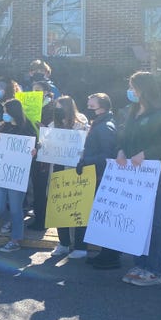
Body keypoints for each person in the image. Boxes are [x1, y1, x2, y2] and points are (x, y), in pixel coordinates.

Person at [118, 72, 161, 287]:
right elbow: (125, 138)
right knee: (138, 220)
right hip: (133, 175)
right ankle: (140, 263)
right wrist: (120, 150)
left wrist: (146, 154)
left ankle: (154, 269)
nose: (131, 91)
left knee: (154, 223)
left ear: (143, 89)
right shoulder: (133, 112)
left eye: (133, 86)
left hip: (155, 174)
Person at [77, 93, 120, 269]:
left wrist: (87, 161)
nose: (88, 102)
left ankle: (111, 256)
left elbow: (107, 154)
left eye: (92, 101)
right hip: (97, 174)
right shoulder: (101, 122)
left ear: (100, 105)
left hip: (101, 176)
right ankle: (106, 254)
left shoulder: (105, 127)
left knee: (104, 217)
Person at [0, 99, 37, 252]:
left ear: (14, 112)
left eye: (6, 112)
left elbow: (36, 146)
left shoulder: (27, 128)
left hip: (17, 175)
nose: (4, 115)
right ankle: (10, 221)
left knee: (16, 208)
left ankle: (15, 239)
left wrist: (35, 151)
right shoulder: (2, 127)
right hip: (0, 174)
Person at [48, 96, 90, 259]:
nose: (57, 111)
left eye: (60, 108)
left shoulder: (81, 124)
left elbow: (84, 146)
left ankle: (80, 246)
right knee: (60, 208)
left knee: (78, 209)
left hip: (75, 170)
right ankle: (64, 243)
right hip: (58, 170)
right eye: (56, 108)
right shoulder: (53, 125)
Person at [26, 80, 55, 230]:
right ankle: (38, 216)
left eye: (38, 90)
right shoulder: (29, 106)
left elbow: (58, 131)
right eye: (33, 89)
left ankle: (42, 220)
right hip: (32, 149)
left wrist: (45, 129)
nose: (34, 92)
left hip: (45, 152)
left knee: (42, 187)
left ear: (46, 91)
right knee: (36, 185)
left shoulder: (52, 107)